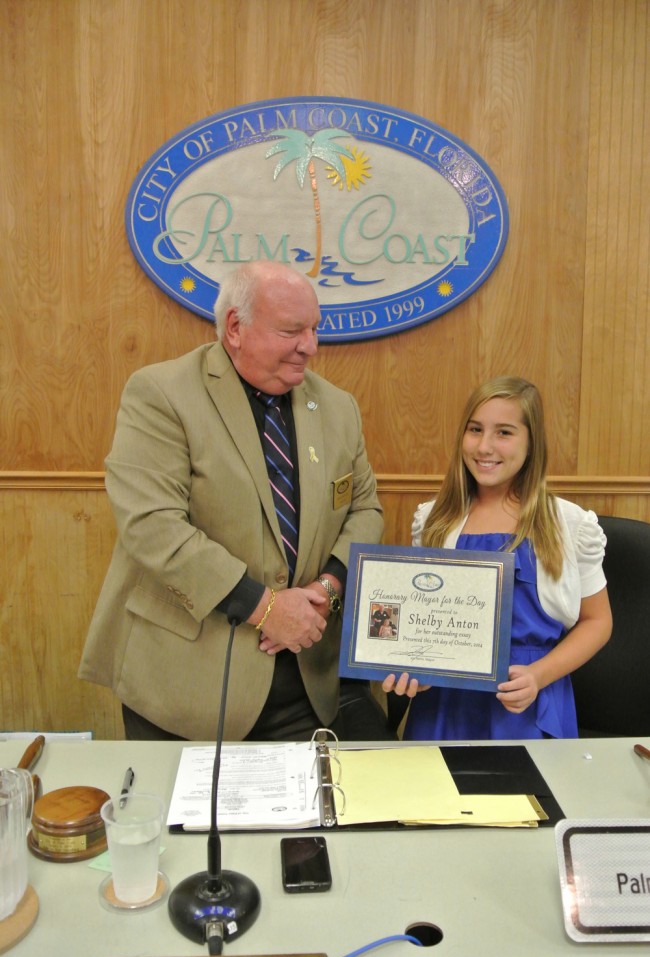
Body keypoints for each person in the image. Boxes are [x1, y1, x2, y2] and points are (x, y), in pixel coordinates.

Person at [79, 260, 393, 742]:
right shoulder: (161, 393)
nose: (310, 346)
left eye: (314, 329)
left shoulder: (337, 406)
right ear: (235, 328)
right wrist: (267, 608)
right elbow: (152, 525)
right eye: (292, 330)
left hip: (308, 690)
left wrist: (327, 589)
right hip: (187, 691)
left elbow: (363, 509)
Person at [382, 376, 612, 740]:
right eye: (475, 430)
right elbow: (419, 622)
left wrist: (540, 675)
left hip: (527, 701)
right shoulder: (433, 521)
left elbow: (598, 621)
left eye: (504, 433)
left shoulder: (568, 525)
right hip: (444, 707)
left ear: (531, 442)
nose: (485, 446)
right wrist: (415, 670)